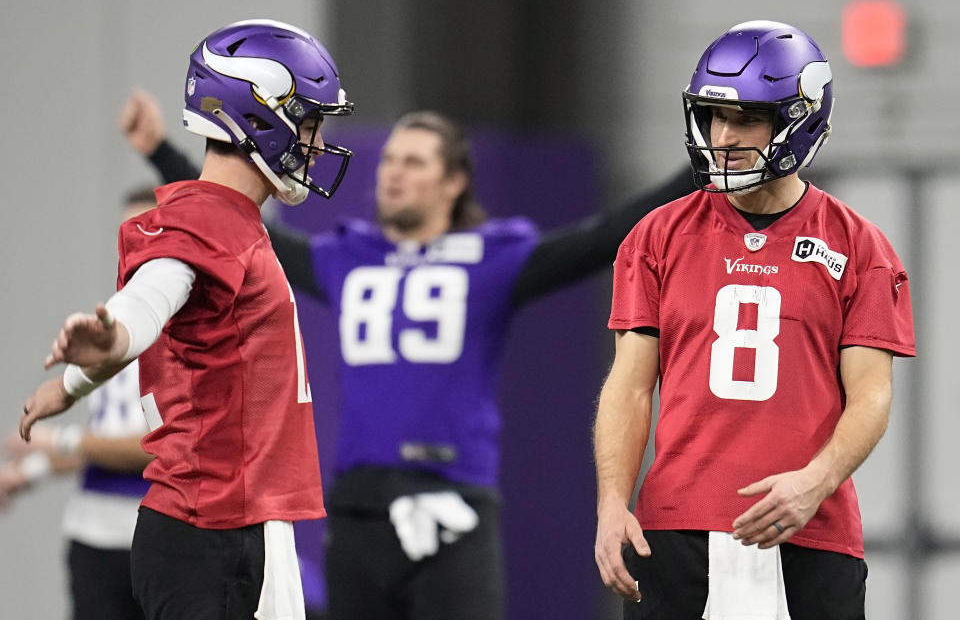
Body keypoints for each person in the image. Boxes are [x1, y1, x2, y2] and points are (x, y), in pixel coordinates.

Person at [123, 91, 693, 619]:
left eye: (415, 162)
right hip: (358, 512)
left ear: (454, 182)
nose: (393, 172)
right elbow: (234, 222)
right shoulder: (349, 256)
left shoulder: (492, 258)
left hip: (452, 508)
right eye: (391, 159)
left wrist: (710, 163)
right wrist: (162, 153)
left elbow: (606, 234)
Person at [18, 19, 354, 620]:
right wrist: (114, 334)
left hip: (240, 521)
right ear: (258, 118)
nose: (317, 142)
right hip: (214, 529)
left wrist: (73, 384)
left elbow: (176, 328)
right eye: (308, 122)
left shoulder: (232, 217)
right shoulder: (207, 216)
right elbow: (153, 294)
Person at [593, 20, 916, 620]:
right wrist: (612, 502)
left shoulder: (859, 246)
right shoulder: (656, 236)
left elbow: (871, 394)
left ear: (800, 117)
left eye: (746, 119)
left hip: (809, 532)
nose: (724, 135)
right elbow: (630, 386)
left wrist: (815, 482)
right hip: (676, 528)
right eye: (714, 117)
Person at [0, 189, 156, 620]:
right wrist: (31, 471)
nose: (135, 244)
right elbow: (103, 441)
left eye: (148, 230)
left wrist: (62, 439)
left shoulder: (190, 330)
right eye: (127, 233)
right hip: (93, 536)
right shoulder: (111, 322)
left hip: (156, 539)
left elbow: (157, 445)